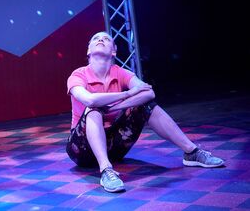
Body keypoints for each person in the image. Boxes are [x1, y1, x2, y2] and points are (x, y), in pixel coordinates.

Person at [66, 31, 224, 193]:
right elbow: (90, 100)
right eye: (96, 38)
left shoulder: (120, 72)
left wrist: (115, 107)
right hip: (82, 150)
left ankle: (192, 152)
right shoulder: (78, 75)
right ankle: (106, 170)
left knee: (145, 104)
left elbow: (148, 93)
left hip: (114, 146)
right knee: (94, 109)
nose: (101, 39)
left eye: (106, 39)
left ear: (114, 50)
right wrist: (127, 93)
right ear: (88, 50)